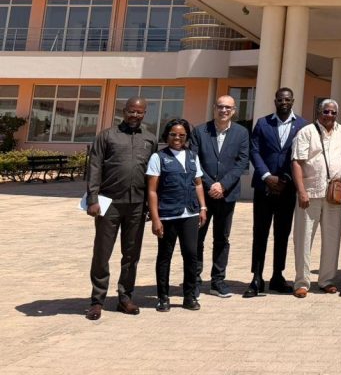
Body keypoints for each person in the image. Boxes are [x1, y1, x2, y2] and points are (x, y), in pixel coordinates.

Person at [84, 97, 157, 320]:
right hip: (109, 203)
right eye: (131, 111)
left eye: (140, 112)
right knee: (102, 253)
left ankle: (125, 298)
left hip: (137, 205)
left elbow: (153, 175)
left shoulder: (150, 139)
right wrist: (92, 199)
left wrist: (150, 207)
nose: (135, 115)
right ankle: (97, 301)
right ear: (123, 111)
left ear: (145, 114)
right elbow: (94, 167)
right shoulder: (107, 136)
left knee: (131, 254)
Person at [245, 87, 307, 298]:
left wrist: (285, 179)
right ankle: (257, 277)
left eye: (287, 99)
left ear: (293, 101)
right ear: (275, 101)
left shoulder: (302, 125)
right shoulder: (263, 123)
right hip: (264, 188)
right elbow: (254, 150)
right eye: (280, 99)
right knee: (260, 233)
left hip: (287, 189)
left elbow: (302, 156)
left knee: (282, 234)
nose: (284, 102)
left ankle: (277, 276)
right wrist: (266, 176)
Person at [192, 94, 250, 298]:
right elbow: (194, 161)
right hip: (203, 196)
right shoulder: (200, 131)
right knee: (197, 238)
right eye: (220, 107)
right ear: (214, 108)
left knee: (222, 239)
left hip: (227, 195)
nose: (224, 110)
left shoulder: (241, 133)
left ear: (234, 111)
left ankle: (218, 281)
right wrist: (210, 185)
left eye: (228, 108)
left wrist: (223, 185)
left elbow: (242, 162)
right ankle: (195, 281)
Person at [147, 118, 207, 311]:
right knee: (165, 256)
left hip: (189, 213)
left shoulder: (192, 156)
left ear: (187, 136)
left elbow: (198, 183)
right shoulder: (158, 157)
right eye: (173, 134)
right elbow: (152, 191)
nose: (177, 138)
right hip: (167, 214)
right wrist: (155, 218)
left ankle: (189, 296)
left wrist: (203, 207)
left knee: (191, 254)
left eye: (182, 135)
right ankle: (163, 297)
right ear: (167, 135)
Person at [291, 99, 341, 297]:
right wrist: (301, 191)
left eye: (333, 112)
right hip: (310, 192)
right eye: (326, 111)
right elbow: (297, 163)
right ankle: (302, 281)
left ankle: (327, 280)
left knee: (332, 238)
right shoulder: (306, 132)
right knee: (304, 237)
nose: (329, 115)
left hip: (334, 195)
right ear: (318, 111)